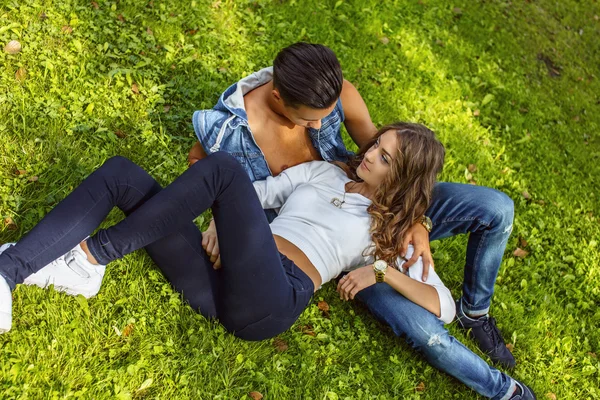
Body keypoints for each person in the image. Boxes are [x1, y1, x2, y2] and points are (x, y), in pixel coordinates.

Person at [0, 122, 534, 399]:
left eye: (385, 157)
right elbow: (255, 193)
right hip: (220, 278)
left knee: (224, 170)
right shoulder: (325, 173)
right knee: (121, 173)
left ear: (402, 178)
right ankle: (10, 272)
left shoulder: (393, 233)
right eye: (376, 144)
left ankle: (92, 257)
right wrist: (218, 222)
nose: (369, 154)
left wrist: (383, 271)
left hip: (270, 298)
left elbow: (441, 305)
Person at [188, 42, 517, 369]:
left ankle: (474, 314)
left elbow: (386, 155)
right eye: (308, 119)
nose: (319, 125)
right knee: (424, 329)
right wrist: (221, 219)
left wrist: (417, 219)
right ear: (278, 98)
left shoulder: (333, 93)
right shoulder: (229, 134)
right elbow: (216, 180)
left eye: (325, 115)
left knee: (496, 207)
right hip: (347, 245)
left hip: (376, 191)